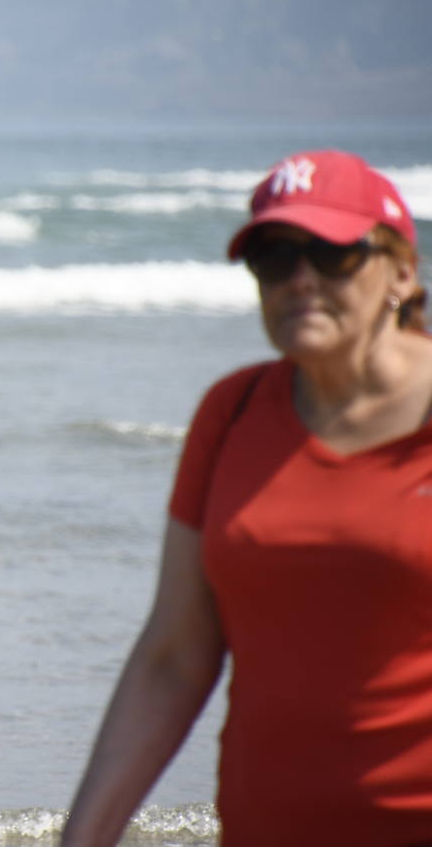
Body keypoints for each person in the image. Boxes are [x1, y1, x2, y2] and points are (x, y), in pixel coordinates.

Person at [61, 149, 432, 847]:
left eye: (330, 254)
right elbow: (174, 657)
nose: (299, 280)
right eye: (273, 255)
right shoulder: (231, 413)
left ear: (401, 271)